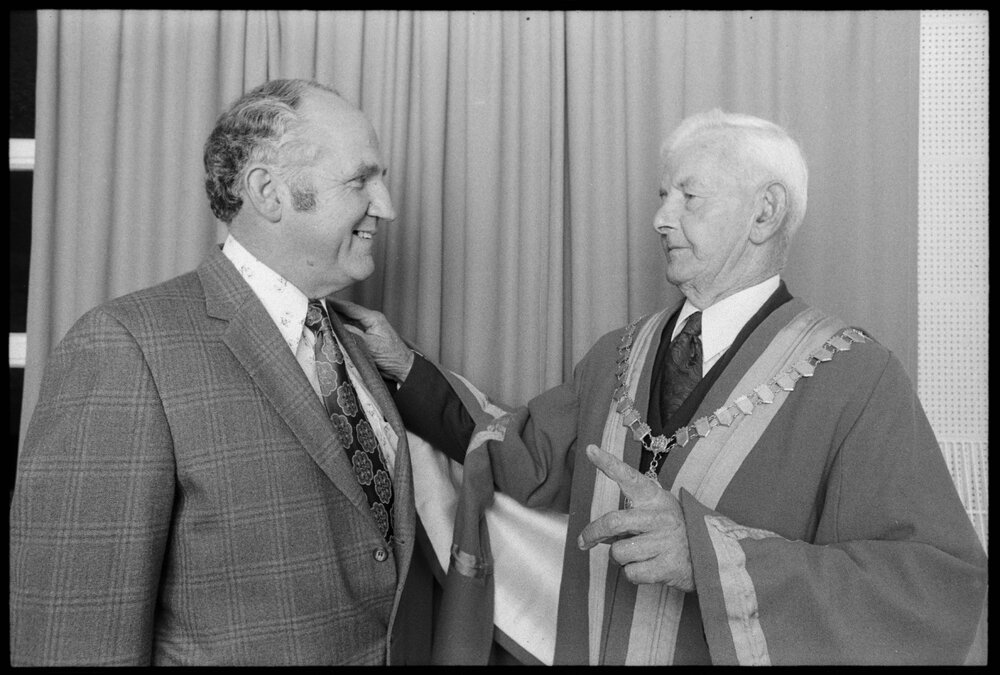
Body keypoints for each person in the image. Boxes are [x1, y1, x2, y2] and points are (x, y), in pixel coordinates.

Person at [335, 109, 988, 665]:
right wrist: (405, 369)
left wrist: (709, 557)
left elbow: (934, 587)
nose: (660, 218)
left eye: (688, 197)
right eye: (662, 195)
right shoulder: (618, 355)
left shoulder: (856, 376)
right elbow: (518, 456)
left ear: (765, 212)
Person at [9, 79, 436, 665]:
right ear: (268, 191)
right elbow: (72, 635)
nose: (386, 205)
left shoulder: (354, 344)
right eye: (360, 180)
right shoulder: (124, 346)